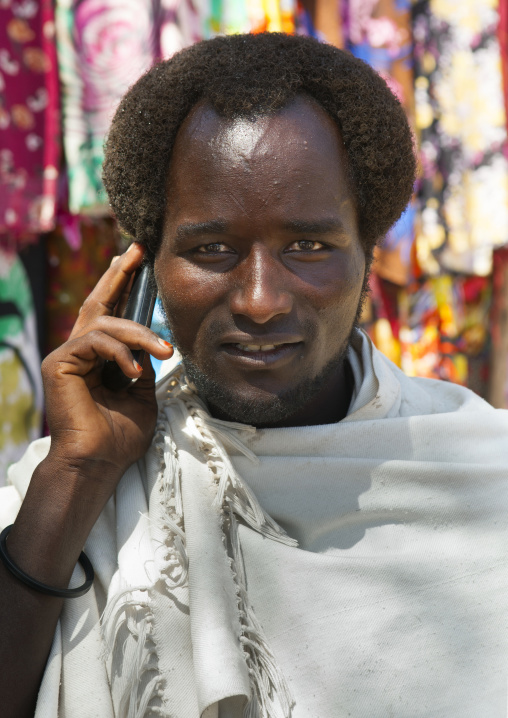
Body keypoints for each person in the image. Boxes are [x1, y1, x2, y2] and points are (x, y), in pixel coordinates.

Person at [1, 32, 507, 718]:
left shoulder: (485, 473)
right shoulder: (73, 476)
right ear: (145, 269)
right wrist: (77, 473)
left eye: (308, 246)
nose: (261, 300)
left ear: (368, 250)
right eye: (211, 249)